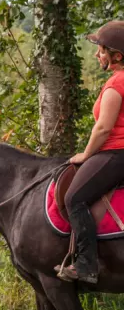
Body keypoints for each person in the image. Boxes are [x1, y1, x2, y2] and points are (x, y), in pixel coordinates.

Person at [60, 21, 124, 284]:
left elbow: (102, 129)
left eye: (101, 50)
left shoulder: (116, 83)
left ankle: (86, 265)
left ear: (117, 55)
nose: (97, 54)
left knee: (74, 198)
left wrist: (86, 156)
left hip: (116, 153)